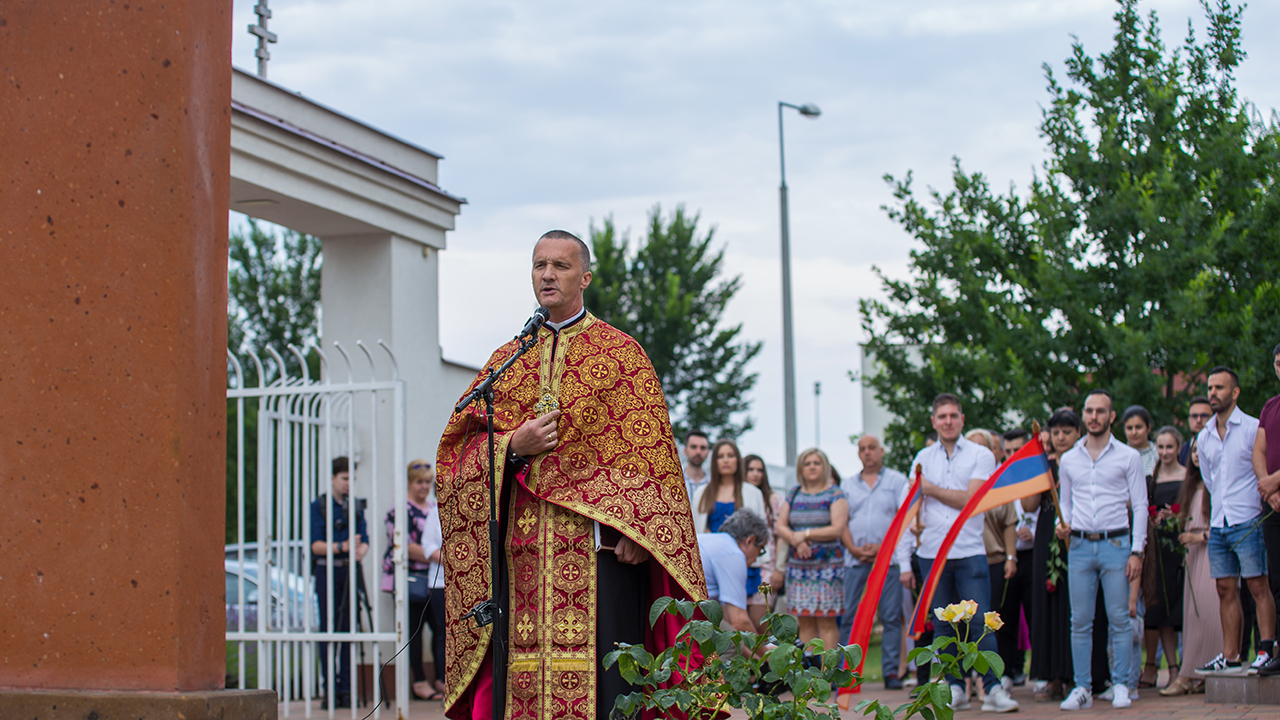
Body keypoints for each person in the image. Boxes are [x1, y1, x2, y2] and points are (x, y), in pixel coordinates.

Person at [435, 230, 706, 720]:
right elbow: (457, 453)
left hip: (600, 558)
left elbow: (650, 461)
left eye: (560, 266)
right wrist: (511, 446)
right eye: (539, 265)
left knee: (610, 688)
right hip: (522, 563)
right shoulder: (506, 361)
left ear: (584, 277)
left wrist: (644, 535)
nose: (547, 275)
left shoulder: (621, 356)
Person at [900, 393, 1020, 713]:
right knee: (942, 625)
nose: (948, 421)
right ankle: (954, 687)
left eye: (954, 415)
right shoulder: (921, 458)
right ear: (934, 421)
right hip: (932, 552)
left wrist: (931, 490)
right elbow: (910, 504)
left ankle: (993, 688)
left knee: (980, 621)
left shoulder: (981, 454)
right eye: (942, 417)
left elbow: (971, 501)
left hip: (969, 550)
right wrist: (913, 529)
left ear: (962, 419)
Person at [1056, 389, 1147, 711]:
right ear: (1083, 415)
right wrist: (1060, 521)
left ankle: (1121, 683)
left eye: (1100, 411)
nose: (1094, 416)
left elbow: (1140, 504)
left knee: (1119, 619)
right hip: (1079, 544)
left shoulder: (1128, 456)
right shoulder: (1069, 459)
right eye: (1089, 410)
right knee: (1079, 620)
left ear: (1111, 416)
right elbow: (1064, 501)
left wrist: (1138, 551)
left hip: (1117, 543)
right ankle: (1082, 687)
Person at [1195, 366, 1276, 676]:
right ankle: (1230, 656)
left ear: (1235, 392)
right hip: (1219, 522)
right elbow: (1209, 480)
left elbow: (1263, 469)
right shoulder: (1204, 436)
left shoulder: (1253, 428)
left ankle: (1266, 649)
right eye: (1210, 388)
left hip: (1248, 519)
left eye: (1219, 388)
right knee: (1225, 589)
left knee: (1258, 585)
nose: (1213, 393)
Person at [838, 435, 909, 689]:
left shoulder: (897, 481)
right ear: (858, 454)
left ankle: (891, 672)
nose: (867, 453)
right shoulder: (847, 485)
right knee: (851, 617)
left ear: (882, 450)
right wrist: (853, 548)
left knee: (890, 616)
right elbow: (841, 521)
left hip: (888, 560)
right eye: (862, 449)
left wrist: (882, 548)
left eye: (871, 448)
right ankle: (846, 674)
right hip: (855, 560)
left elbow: (904, 519)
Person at [1026, 410, 1082, 702]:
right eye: (1056, 432)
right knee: (1047, 603)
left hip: (1075, 531)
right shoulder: (1043, 465)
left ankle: (1078, 673)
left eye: (1067, 431)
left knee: (1074, 605)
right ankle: (1052, 675)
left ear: (1078, 434)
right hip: (1047, 531)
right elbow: (1028, 504)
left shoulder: (1084, 463)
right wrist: (1036, 471)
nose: (1061, 437)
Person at [1161, 439, 1223, 694]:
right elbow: (1191, 518)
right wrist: (1173, 518)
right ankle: (1194, 673)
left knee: (1212, 615)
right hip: (1193, 556)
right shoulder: (1191, 485)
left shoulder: (1218, 483)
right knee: (1193, 617)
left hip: (1212, 552)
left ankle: (1204, 674)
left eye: (1203, 450)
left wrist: (1201, 537)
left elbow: (1225, 524)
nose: (1198, 455)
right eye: (1195, 450)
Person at [380, 459, 446, 701]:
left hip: (430, 579)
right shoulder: (399, 511)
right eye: (419, 482)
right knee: (414, 633)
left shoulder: (432, 507)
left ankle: (439, 678)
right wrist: (438, 555)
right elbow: (404, 547)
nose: (424, 487)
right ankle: (418, 681)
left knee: (439, 630)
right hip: (409, 579)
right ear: (409, 483)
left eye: (428, 482)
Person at [310, 456, 370, 709]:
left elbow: (364, 538)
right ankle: (329, 688)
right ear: (333, 478)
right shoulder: (319, 506)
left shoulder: (355, 506)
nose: (348, 484)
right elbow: (315, 545)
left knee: (348, 628)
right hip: (327, 571)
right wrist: (341, 546)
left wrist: (361, 549)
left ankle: (346, 687)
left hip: (349, 571)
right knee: (328, 629)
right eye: (345, 479)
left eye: (352, 480)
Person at [776, 447, 849, 652]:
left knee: (826, 621)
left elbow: (838, 528)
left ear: (824, 466)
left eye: (816, 463)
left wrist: (806, 534)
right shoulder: (794, 493)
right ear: (801, 468)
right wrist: (796, 539)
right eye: (807, 463)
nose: (812, 467)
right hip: (798, 568)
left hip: (827, 568)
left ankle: (827, 675)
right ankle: (809, 677)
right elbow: (780, 524)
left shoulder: (835, 493)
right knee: (805, 620)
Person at [691, 439, 767, 623]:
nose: (726, 460)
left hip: (746, 562)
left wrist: (766, 566)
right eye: (721, 456)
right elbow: (693, 528)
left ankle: (758, 651)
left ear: (738, 460)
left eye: (730, 456)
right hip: (714, 563)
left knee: (753, 621)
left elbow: (761, 532)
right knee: (721, 620)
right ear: (714, 461)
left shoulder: (752, 492)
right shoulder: (702, 492)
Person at [1140, 427, 1185, 690]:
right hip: (1156, 552)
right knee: (1157, 609)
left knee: (1177, 611)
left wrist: (1177, 517)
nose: (1165, 452)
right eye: (1160, 447)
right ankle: (1163, 668)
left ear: (1178, 448)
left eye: (1169, 447)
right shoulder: (1151, 480)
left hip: (1179, 551)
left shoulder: (1188, 476)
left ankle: (1181, 667)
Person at [698, 509, 772, 634]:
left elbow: (727, 618)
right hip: (686, 610)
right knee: (727, 647)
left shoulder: (713, 541)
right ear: (750, 541)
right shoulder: (733, 553)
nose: (755, 560)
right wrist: (767, 653)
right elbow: (739, 622)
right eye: (760, 551)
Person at [999, 429, 1034, 689]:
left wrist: (1032, 532)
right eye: (1008, 451)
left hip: (1033, 553)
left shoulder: (1037, 472)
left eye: (1017, 450)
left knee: (1036, 615)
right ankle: (1006, 671)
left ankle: (1040, 671)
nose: (1012, 456)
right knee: (1004, 617)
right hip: (1006, 556)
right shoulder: (998, 477)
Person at [1254, 342, 1280, 677]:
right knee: (1278, 582)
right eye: (1278, 362)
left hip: (1274, 492)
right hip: (1273, 507)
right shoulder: (1270, 406)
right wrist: (1268, 488)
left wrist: (1274, 482)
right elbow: (1258, 451)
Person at [745, 454, 784, 627]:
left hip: (767, 567)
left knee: (760, 623)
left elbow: (781, 534)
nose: (755, 474)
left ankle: (765, 654)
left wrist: (779, 569)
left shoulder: (773, 500)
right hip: (743, 566)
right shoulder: (739, 498)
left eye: (759, 470)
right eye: (751, 469)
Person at [1122, 405, 1158, 479]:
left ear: (1148, 428)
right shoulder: (1119, 455)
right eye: (1129, 428)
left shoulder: (1158, 454)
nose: (1134, 432)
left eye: (1138, 427)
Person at [1180, 396, 1213, 466]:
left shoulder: (1221, 447)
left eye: (1204, 415)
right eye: (1194, 416)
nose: (1199, 420)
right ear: (1189, 419)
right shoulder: (1182, 450)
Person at [683, 430, 711, 503]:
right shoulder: (674, 480)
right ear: (685, 451)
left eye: (703, 448)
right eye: (693, 447)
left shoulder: (712, 483)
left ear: (708, 452)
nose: (698, 452)